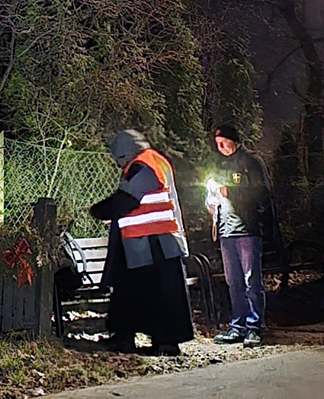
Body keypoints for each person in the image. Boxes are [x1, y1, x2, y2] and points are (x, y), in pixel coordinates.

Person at [89, 129, 194, 355]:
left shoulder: (141, 165)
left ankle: (127, 339)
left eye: (117, 157)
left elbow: (127, 200)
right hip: (163, 242)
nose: (118, 163)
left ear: (124, 152)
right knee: (163, 294)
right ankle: (164, 341)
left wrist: (97, 210)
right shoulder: (157, 160)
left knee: (133, 292)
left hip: (146, 243)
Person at [206, 123, 278, 348]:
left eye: (224, 142)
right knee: (234, 282)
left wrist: (232, 192)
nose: (221, 147)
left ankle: (254, 327)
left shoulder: (251, 162)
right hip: (226, 230)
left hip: (247, 228)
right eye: (218, 144)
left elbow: (262, 192)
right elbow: (212, 192)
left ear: (234, 140)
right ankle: (238, 326)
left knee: (251, 280)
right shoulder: (220, 164)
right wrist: (211, 202)